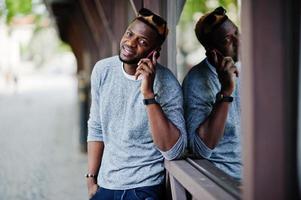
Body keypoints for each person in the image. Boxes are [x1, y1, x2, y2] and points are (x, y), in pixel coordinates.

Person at [86, 8, 187, 200]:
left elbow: (174, 150)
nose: (130, 43)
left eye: (142, 41)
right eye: (129, 34)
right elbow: (96, 127)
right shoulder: (102, 70)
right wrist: (91, 179)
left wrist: (148, 94)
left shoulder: (168, 84)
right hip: (105, 186)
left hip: (144, 188)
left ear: (154, 52)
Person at [182, 7, 242, 180]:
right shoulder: (197, 81)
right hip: (222, 182)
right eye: (228, 39)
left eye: (237, 33)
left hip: (255, 176)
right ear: (213, 51)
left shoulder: (247, 69)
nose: (239, 41)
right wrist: (226, 91)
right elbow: (201, 149)